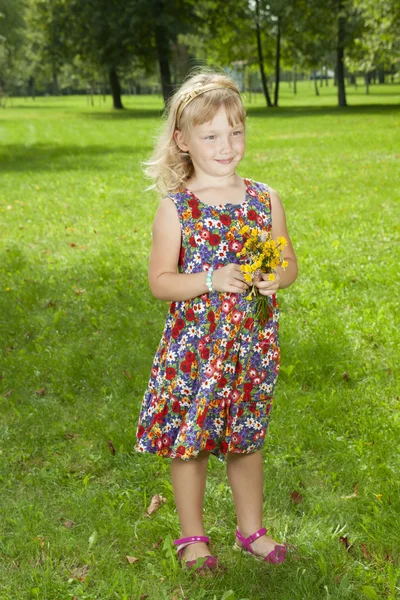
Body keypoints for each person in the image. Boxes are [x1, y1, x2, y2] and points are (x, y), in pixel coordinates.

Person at [134, 68, 298, 573]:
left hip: (251, 345)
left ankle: (252, 530)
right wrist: (209, 279)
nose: (226, 145)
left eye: (235, 131)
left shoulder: (264, 198)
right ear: (183, 141)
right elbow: (161, 281)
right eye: (210, 136)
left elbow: (288, 261)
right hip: (196, 349)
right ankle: (193, 538)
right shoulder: (178, 209)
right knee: (193, 441)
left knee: (245, 438)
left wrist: (276, 278)